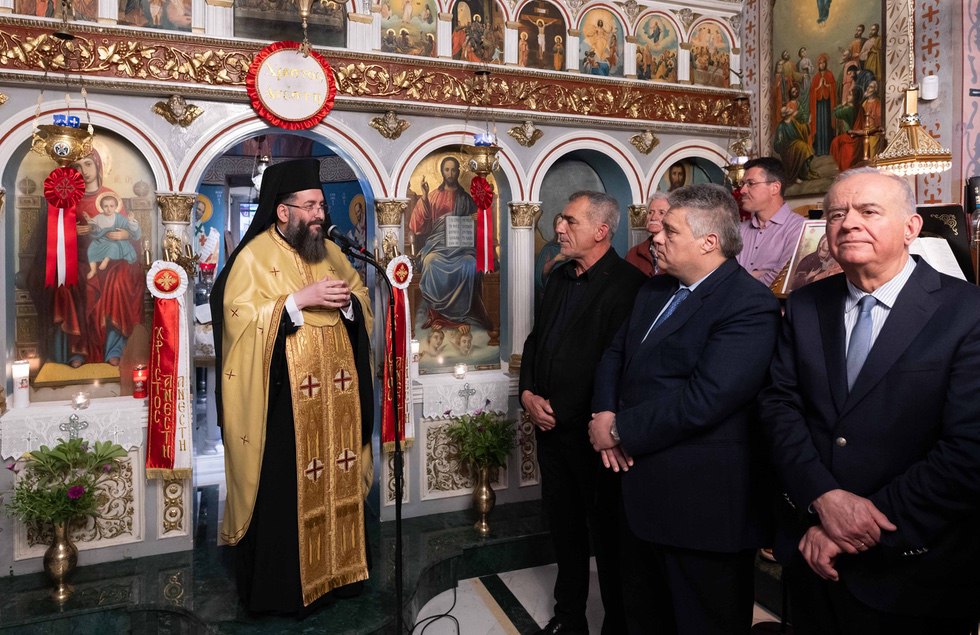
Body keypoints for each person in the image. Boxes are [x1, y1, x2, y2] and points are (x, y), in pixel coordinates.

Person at [759, 167, 980, 634]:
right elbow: (780, 408)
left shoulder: (966, 311)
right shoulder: (805, 304)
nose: (849, 223)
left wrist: (855, 527)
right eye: (837, 213)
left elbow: (968, 448)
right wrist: (822, 499)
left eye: (869, 211)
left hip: (914, 568)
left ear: (911, 227)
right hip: (813, 559)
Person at [589, 184, 780, 634]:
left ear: (709, 241)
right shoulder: (655, 290)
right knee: (642, 617)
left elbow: (706, 399)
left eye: (670, 231)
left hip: (701, 508)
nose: (655, 235)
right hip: (639, 495)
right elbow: (615, 354)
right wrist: (602, 411)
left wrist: (618, 430)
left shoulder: (749, 304)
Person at [210, 158, 374, 615]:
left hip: (338, 397)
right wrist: (297, 301)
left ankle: (341, 576)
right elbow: (238, 319)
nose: (321, 214)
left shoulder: (332, 252)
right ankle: (287, 591)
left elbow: (360, 297)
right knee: (287, 491)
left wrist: (349, 305)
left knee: (339, 477)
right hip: (283, 403)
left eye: (322, 205)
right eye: (311, 206)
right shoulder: (254, 256)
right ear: (283, 212)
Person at [520, 191, 645, 635]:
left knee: (608, 539)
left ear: (601, 231)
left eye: (570, 221)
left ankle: (616, 625)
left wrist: (562, 410)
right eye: (560, 219)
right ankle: (569, 617)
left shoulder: (629, 286)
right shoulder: (559, 277)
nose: (559, 228)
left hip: (593, 437)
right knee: (564, 530)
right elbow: (536, 340)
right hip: (550, 431)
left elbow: (613, 363)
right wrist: (528, 394)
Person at [408, 156, 491, 330]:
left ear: (458, 172)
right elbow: (418, 225)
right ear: (442, 172)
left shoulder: (466, 199)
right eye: (447, 170)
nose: (450, 173)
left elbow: (479, 228)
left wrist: (475, 220)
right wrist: (424, 196)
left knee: (470, 263)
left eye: (453, 170)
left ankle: (462, 315)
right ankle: (436, 314)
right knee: (430, 262)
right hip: (437, 245)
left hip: (461, 248)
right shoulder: (432, 196)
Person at [735, 157, 806, 286]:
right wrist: (761, 273)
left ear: (775, 187)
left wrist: (739, 280)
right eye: (743, 184)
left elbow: (782, 279)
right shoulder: (738, 229)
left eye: (750, 183)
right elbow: (724, 273)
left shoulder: (800, 228)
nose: (742, 190)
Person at [86, 192, 141, 279]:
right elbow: (93, 227)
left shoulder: (120, 218)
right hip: (102, 240)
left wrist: (131, 221)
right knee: (91, 248)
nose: (109, 209)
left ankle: (106, 260)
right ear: (101, 207)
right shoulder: (99, 217)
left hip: (115, 241)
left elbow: (130, 229)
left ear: (116, 207)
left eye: (111, 206)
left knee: (113, 246)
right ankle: (93, 269)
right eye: (106, 206)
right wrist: (89, 221)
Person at [625, 192, 669, 276]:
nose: (653, 218)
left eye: (661, 213)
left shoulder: (680, 253)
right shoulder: (634, 254)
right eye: (650, 212)